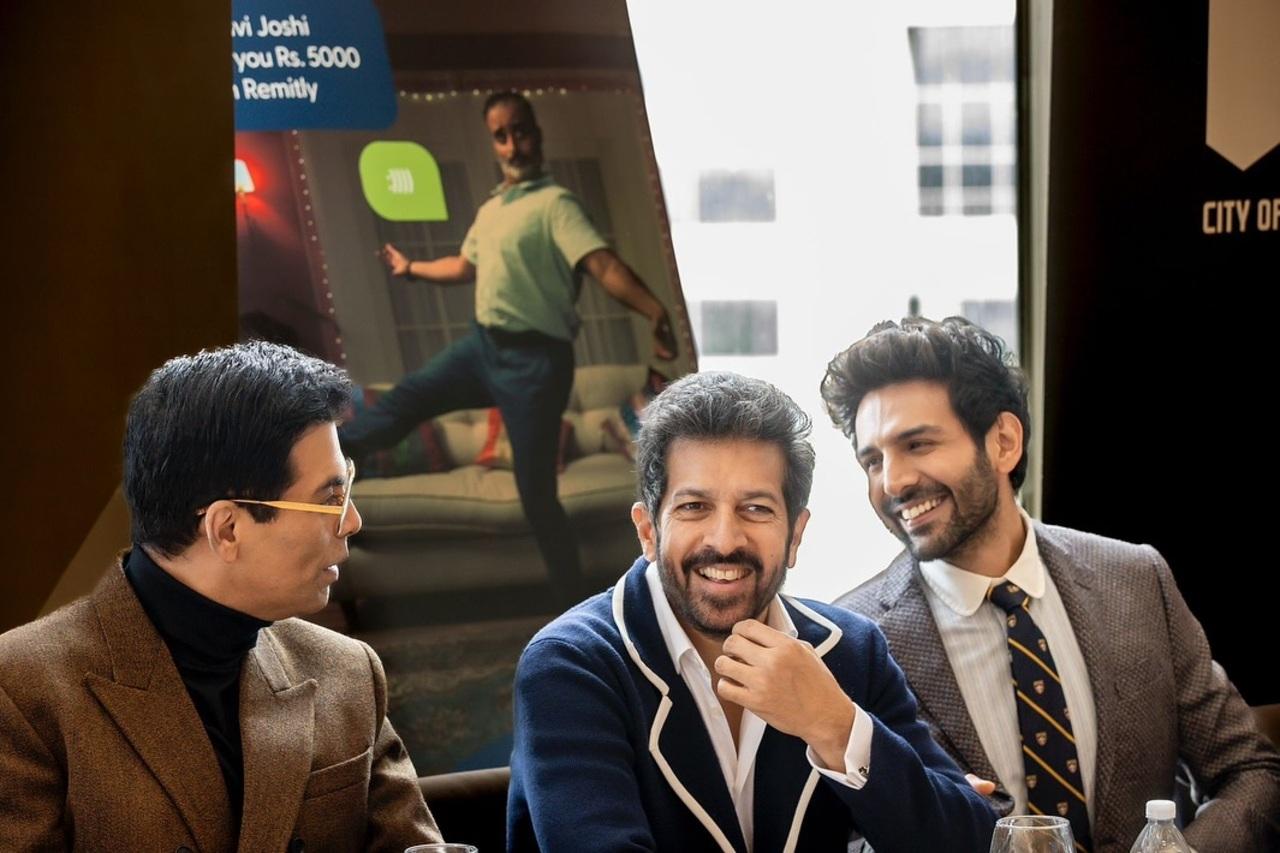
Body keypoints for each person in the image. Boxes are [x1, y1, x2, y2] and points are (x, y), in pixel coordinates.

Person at [822, 317, 1280, 853]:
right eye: (871, 461)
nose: (892, 481)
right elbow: (842, 837)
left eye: (917, 444)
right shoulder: (848, 638)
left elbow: (1251, 772)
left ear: (1004, 442)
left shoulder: (1136, 579)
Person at [507, 371, 998, 852]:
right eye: (694, 507)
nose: (724, 540)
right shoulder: (569, 666)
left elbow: (977, 839)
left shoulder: (851, 649)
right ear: (648, 531)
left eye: (757, 509)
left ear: (795, 535)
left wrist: (834, 724)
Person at [0, 341, 440, 851]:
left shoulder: (347, 671)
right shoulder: (21, 692)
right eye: (330, 500)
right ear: (227, 528)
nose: (353, 522)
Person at [343, 90, 677, 604]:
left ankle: (576, 608)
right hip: (483, 348)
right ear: (493, 144)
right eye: (501, 135)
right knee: (404, 402)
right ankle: (315, 462)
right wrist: (411, 269)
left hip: (537, 364)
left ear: (536, 134)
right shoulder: (494, 208)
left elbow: (603, 265)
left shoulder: (555, 205)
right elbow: (464, 265)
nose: (513, 144)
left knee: (535, 492)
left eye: (520, 131)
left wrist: (655, 311)